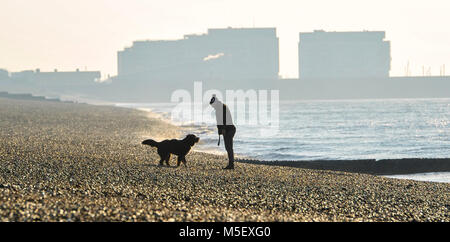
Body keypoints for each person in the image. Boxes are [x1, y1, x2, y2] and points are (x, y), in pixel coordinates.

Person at [210, 94, 236, 169]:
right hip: (227, 129)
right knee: (228, 147)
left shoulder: (222, 107)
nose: (212, 107)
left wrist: (223, 129)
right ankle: (231, 164)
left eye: (213, 105)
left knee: (229, 147)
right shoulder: (218, 108)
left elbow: (224, 119)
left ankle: (231, 164)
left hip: (229, 129)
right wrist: (220, 130)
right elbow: (219, 121)